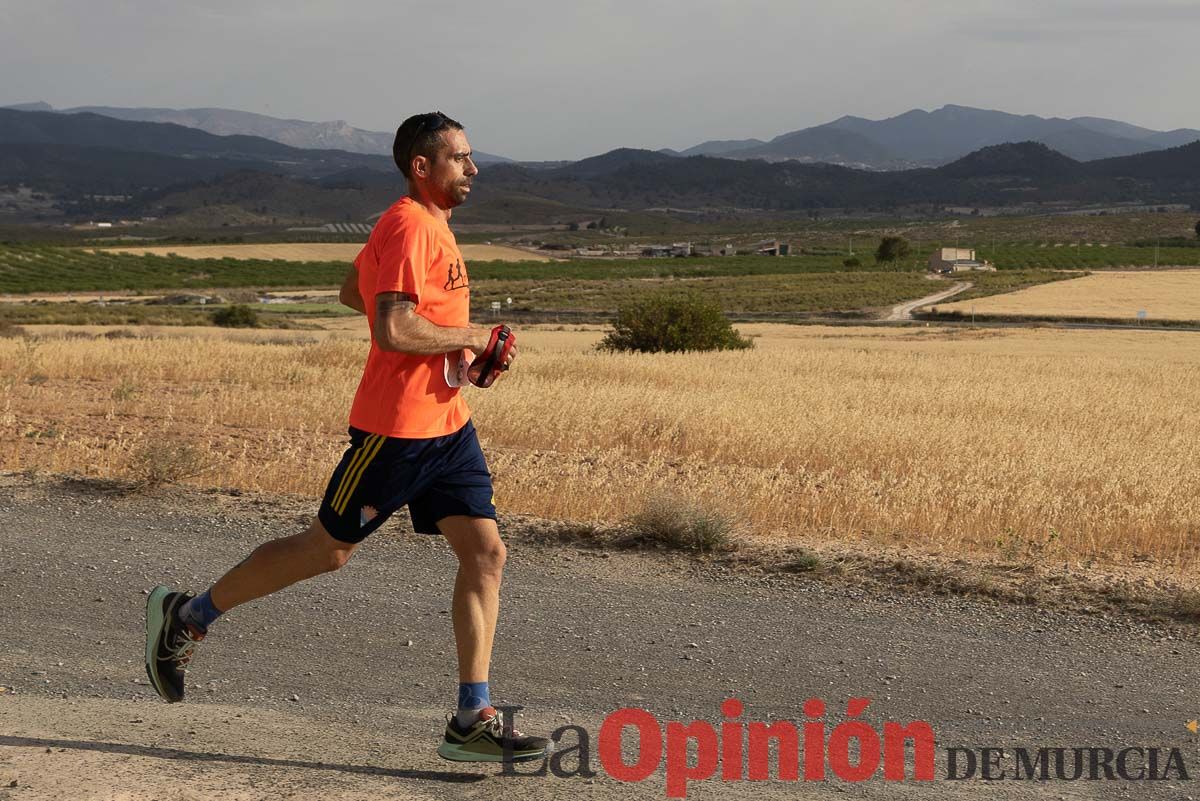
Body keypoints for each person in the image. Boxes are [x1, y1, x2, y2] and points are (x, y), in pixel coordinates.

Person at [144, 111, 549, 764]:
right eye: (461, 157)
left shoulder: (428, 226)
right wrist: (471, 336)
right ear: (423, 167)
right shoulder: (408, 224)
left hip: (447, 426)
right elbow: (391, 327)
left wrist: (449, 352)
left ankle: (473, 713)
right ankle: (188, 616)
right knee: (326, 551)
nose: (474, 168)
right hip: (396, 432)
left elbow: (350, 291)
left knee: (486, 554)